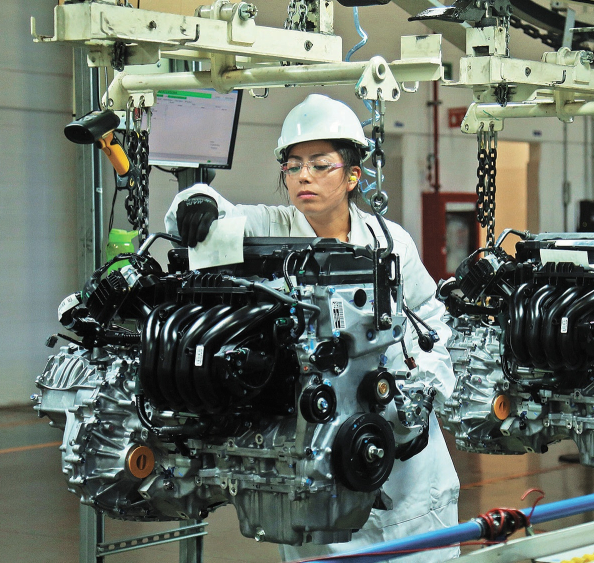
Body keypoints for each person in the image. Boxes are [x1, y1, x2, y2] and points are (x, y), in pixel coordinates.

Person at [164, 94, 460, 562]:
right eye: (294, 165)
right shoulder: (270, 231)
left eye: (321, 164)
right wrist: (194, 201)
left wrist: (423, 388)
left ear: (352, 175)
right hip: (317, 444)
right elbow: (209, 213)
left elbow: (433, 316)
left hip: (407, 456)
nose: (304, 176)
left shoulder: (388, 241)